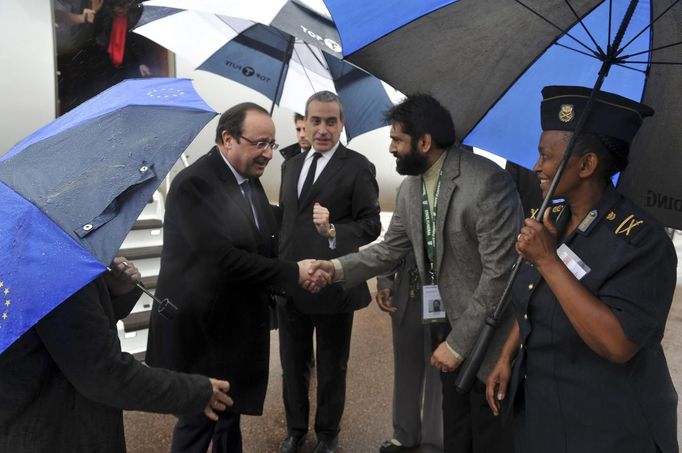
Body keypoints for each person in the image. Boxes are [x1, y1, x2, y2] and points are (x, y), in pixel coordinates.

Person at [309, 93, 522, 453]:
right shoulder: (411, 187)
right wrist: (335, 268)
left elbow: (500, 275)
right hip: (445, 320)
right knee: (456, 430)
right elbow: (390, 249)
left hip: (487, 335)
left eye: (397, 139)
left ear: (424, 142)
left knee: (488, 434)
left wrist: (458, 344)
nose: (391, 148)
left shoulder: (487, 183)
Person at [485, 86, 678, 453]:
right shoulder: (553, 218)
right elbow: (531, 297)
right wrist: (507, 355)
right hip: (544, 415)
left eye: (546, 156)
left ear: (586, 165)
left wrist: (547, 260)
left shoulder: (643, 241)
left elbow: (616, 344)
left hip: (610, 428)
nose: (537, 167)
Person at [145, 103, 321, 453]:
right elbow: (222, 260)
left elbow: (262, 235)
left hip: (231, 332)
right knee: (199, 421)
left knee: (228, 418)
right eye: (260, 143)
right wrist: (293, 273)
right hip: (202, 334)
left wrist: (310, 234)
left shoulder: (247, 180)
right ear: (228, 139)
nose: (268, 154)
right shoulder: (194, 184)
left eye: (271, 144)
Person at [0, 257, 232, 453]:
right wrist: (196, 392)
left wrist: (111, 292)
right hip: (59, 432)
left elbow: (62, 332)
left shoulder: (22, 254)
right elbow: (104, 373)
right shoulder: (54, 263)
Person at [277, 91, 381, 453]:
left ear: (342, 124)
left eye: (331, 121)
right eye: (316, 121)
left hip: (333, 281)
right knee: (292, 365)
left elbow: (371, 226)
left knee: (333, 368)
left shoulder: (357, 166)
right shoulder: (290, 165)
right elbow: (288, 224)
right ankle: (294, 430)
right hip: (292, 284)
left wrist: (334, 230)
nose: (322, 129)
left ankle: (327, 435)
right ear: (303, 122)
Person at [375, 251, 443, 453]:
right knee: (406, 367)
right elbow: (391, 246)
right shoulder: (403, 216)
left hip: (445, 292)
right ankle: (405, 433)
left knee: (439, 370)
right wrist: (385, 281)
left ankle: (435, 440)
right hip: (408, 293)